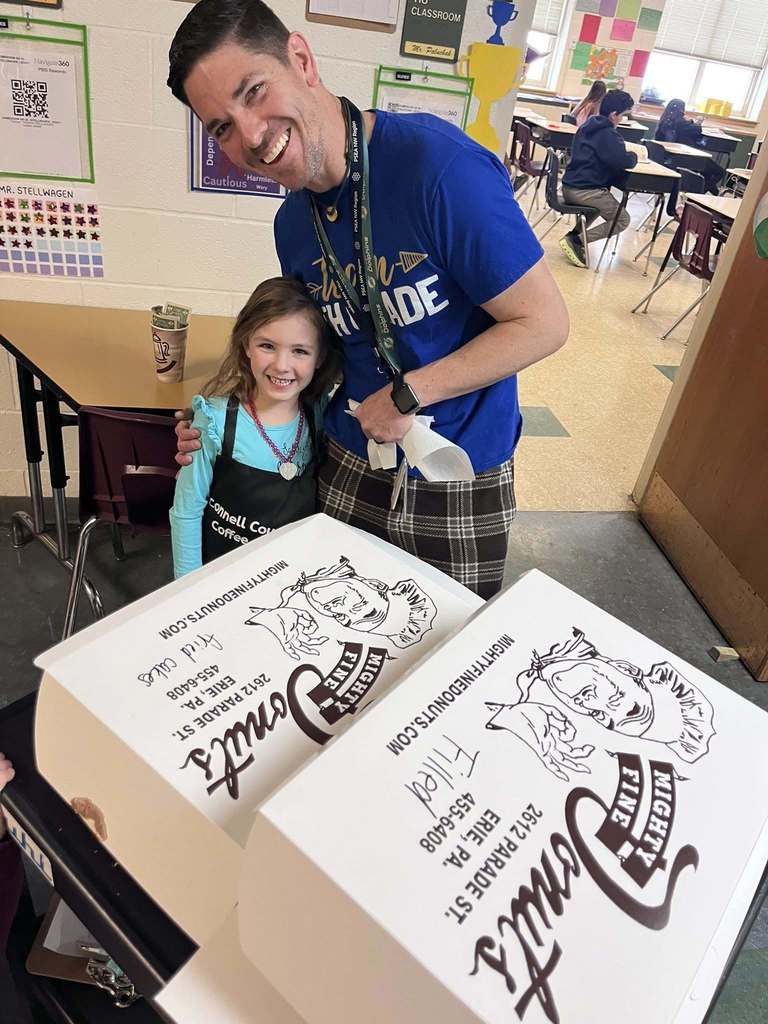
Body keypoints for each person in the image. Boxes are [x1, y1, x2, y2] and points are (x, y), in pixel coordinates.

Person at [166, 0, 569, 599]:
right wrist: (228, 422)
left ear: (300, 59)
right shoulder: (292, 226)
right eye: (221, 126)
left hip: (456, 470)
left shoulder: (439, 168)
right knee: (335, 642)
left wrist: (411, 391)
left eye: (253, 92)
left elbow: (545, 323)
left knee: (445, 663)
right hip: (345, 462)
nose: (249, 135)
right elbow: (312, 354)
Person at [170, 276, 339, 577]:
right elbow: (186, 512)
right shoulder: (214, 421)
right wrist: (188, 589)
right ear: (246, 344)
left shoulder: (321, 413)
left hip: (287, 576)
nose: (282, 365)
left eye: (300, 351)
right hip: (220, 577)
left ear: (319, 357)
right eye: (267, 346)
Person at [559, 89, 638, 269]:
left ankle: (574, 234)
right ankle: (577, 241)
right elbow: (622, 160)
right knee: (622, 220)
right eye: (623, 116)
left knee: (596, 209)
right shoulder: (608, 134)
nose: (622, 120)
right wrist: (634, 155)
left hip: (570, 186)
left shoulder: (588, 125)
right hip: (585, 190)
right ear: (613, 114)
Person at [655, 98, 724, 193]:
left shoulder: (662, 121)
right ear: (682, 110)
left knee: (707, 175)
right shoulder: (682, 123)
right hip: (687, 159)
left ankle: (708, 192)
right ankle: (699, 195)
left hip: (668, 159)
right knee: (719, 172)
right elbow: (697, 130)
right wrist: (697, 122)